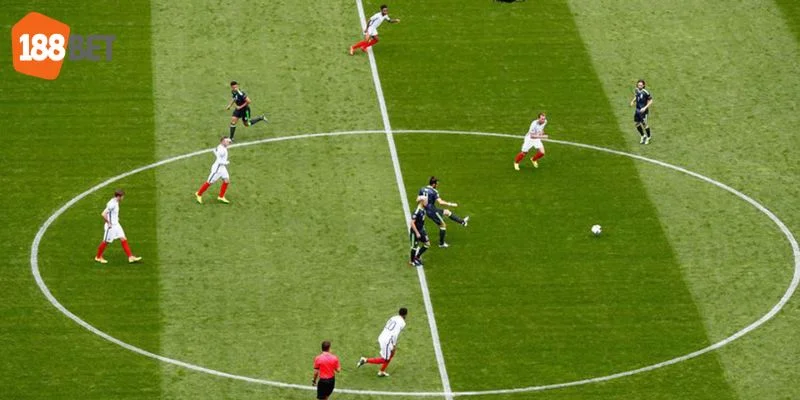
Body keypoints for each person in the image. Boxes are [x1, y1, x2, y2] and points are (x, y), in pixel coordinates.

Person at [94, 189, 142, 264]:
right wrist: (109, 223)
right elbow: (103, 214)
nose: (123, 198)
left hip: (117, 225)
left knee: (123, 238)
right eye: (122, 196)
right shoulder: (112, 204)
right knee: (106, 242)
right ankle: (98, 257)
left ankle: (130, 257)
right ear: (119, 196)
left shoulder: (116, 202)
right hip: (111, 227)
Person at [419, 177, 468, 248]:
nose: (437, 185)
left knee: (447, 212)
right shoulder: (434, 191)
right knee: (443, 225)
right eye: (436, 184)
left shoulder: (422, 189)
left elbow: (419, 199)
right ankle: (441, 244)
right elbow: (440, 202)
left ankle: (462, 222)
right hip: (432, 211)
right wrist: (451, 204)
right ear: (433, 184)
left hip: (429, 210)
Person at [356, 308, 407, 377]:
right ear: (405, 315)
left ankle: (381, 371)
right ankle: (365, 360)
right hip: (387, 341)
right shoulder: (402, 323)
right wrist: (394, 345)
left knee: (392, 353)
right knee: (385, 359)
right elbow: (395, 334)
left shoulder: (393, 317)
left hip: (383, 336)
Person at [195, 137, 232, 204]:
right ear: (222, 142)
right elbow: (220, 160)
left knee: (226, 181)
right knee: (209, 182)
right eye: (227, 142)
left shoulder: (221, 146)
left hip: (222, 168)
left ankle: (221, 196)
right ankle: (199, 194)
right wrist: (226, 162)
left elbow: (215, 150)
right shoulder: (221, 150)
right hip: (217, 169)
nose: (228, 143)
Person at [409, 195, 430, 267]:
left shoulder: (423, 209)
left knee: (427, 244)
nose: (427, 202)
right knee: (414, 247)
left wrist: (423, 229)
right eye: (426, 201)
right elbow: (412, 223)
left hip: (421, 230)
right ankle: (411, 261)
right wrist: (417, 233)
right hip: (415, 232)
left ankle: (417, 257)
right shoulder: (417, 211)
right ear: (421, 201)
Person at [630, 79, 653, 144]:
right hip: (637, 110)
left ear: (643, 85)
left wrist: (645, 108)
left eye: (641, 85)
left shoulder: (645, 92)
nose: (639, 86)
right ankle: (643, 136)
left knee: (644, 124)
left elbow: (651, 101)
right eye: (638, 85)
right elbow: (637, 96)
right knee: (637, 124)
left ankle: (648, 137)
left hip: (644, 111)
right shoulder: (636, 90)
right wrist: (633, 101)